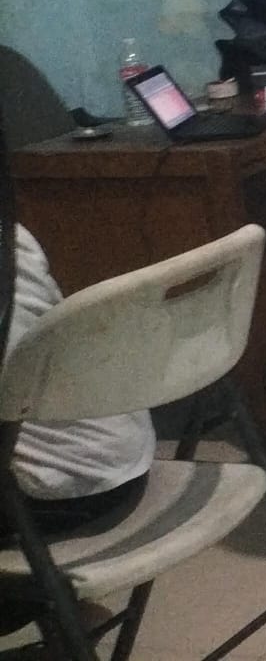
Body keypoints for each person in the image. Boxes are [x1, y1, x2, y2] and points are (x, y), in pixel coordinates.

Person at [0, 223, 156, 649]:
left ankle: (54, 611)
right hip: (121, 457)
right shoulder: (10, 227)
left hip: (59, 491)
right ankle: (66, 619)